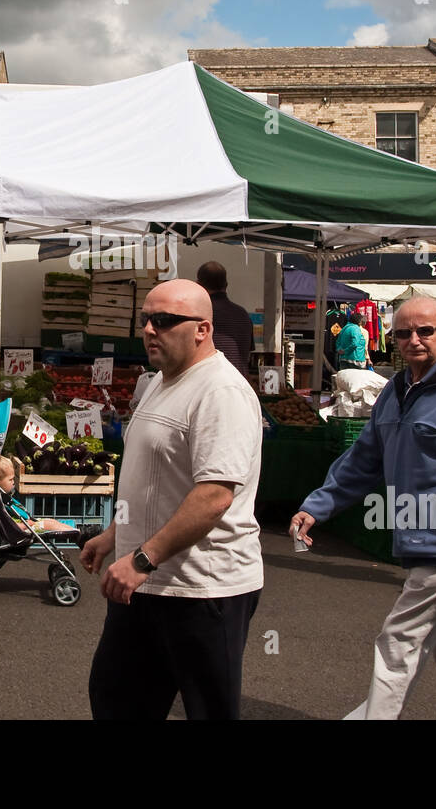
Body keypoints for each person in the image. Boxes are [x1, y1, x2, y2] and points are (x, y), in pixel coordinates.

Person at [291, 296, 436, 720]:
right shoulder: (396, 388)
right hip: (417, 537)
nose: (414, 339)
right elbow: (364, 458)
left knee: (398, 646)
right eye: (403, 332)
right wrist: (317, 506)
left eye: (425, 331)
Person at [81, 279, 262, 720]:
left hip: (201, 588)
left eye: (162, 321)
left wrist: (142, 558)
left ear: (202, 329)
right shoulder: (161, 381)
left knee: (208, 711)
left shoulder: (221, 392)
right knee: (116, 700)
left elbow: (214, 496)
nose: (148, 329)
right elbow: (157, 479)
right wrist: (116, 533)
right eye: (145, 319)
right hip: (145, 582)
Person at [196, 261, 253, 374]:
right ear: (226, 285)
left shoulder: (200, 313)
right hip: (239, 383)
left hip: (210, 382)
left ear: (199, 285)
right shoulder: (243, 315)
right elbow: (246, 354)